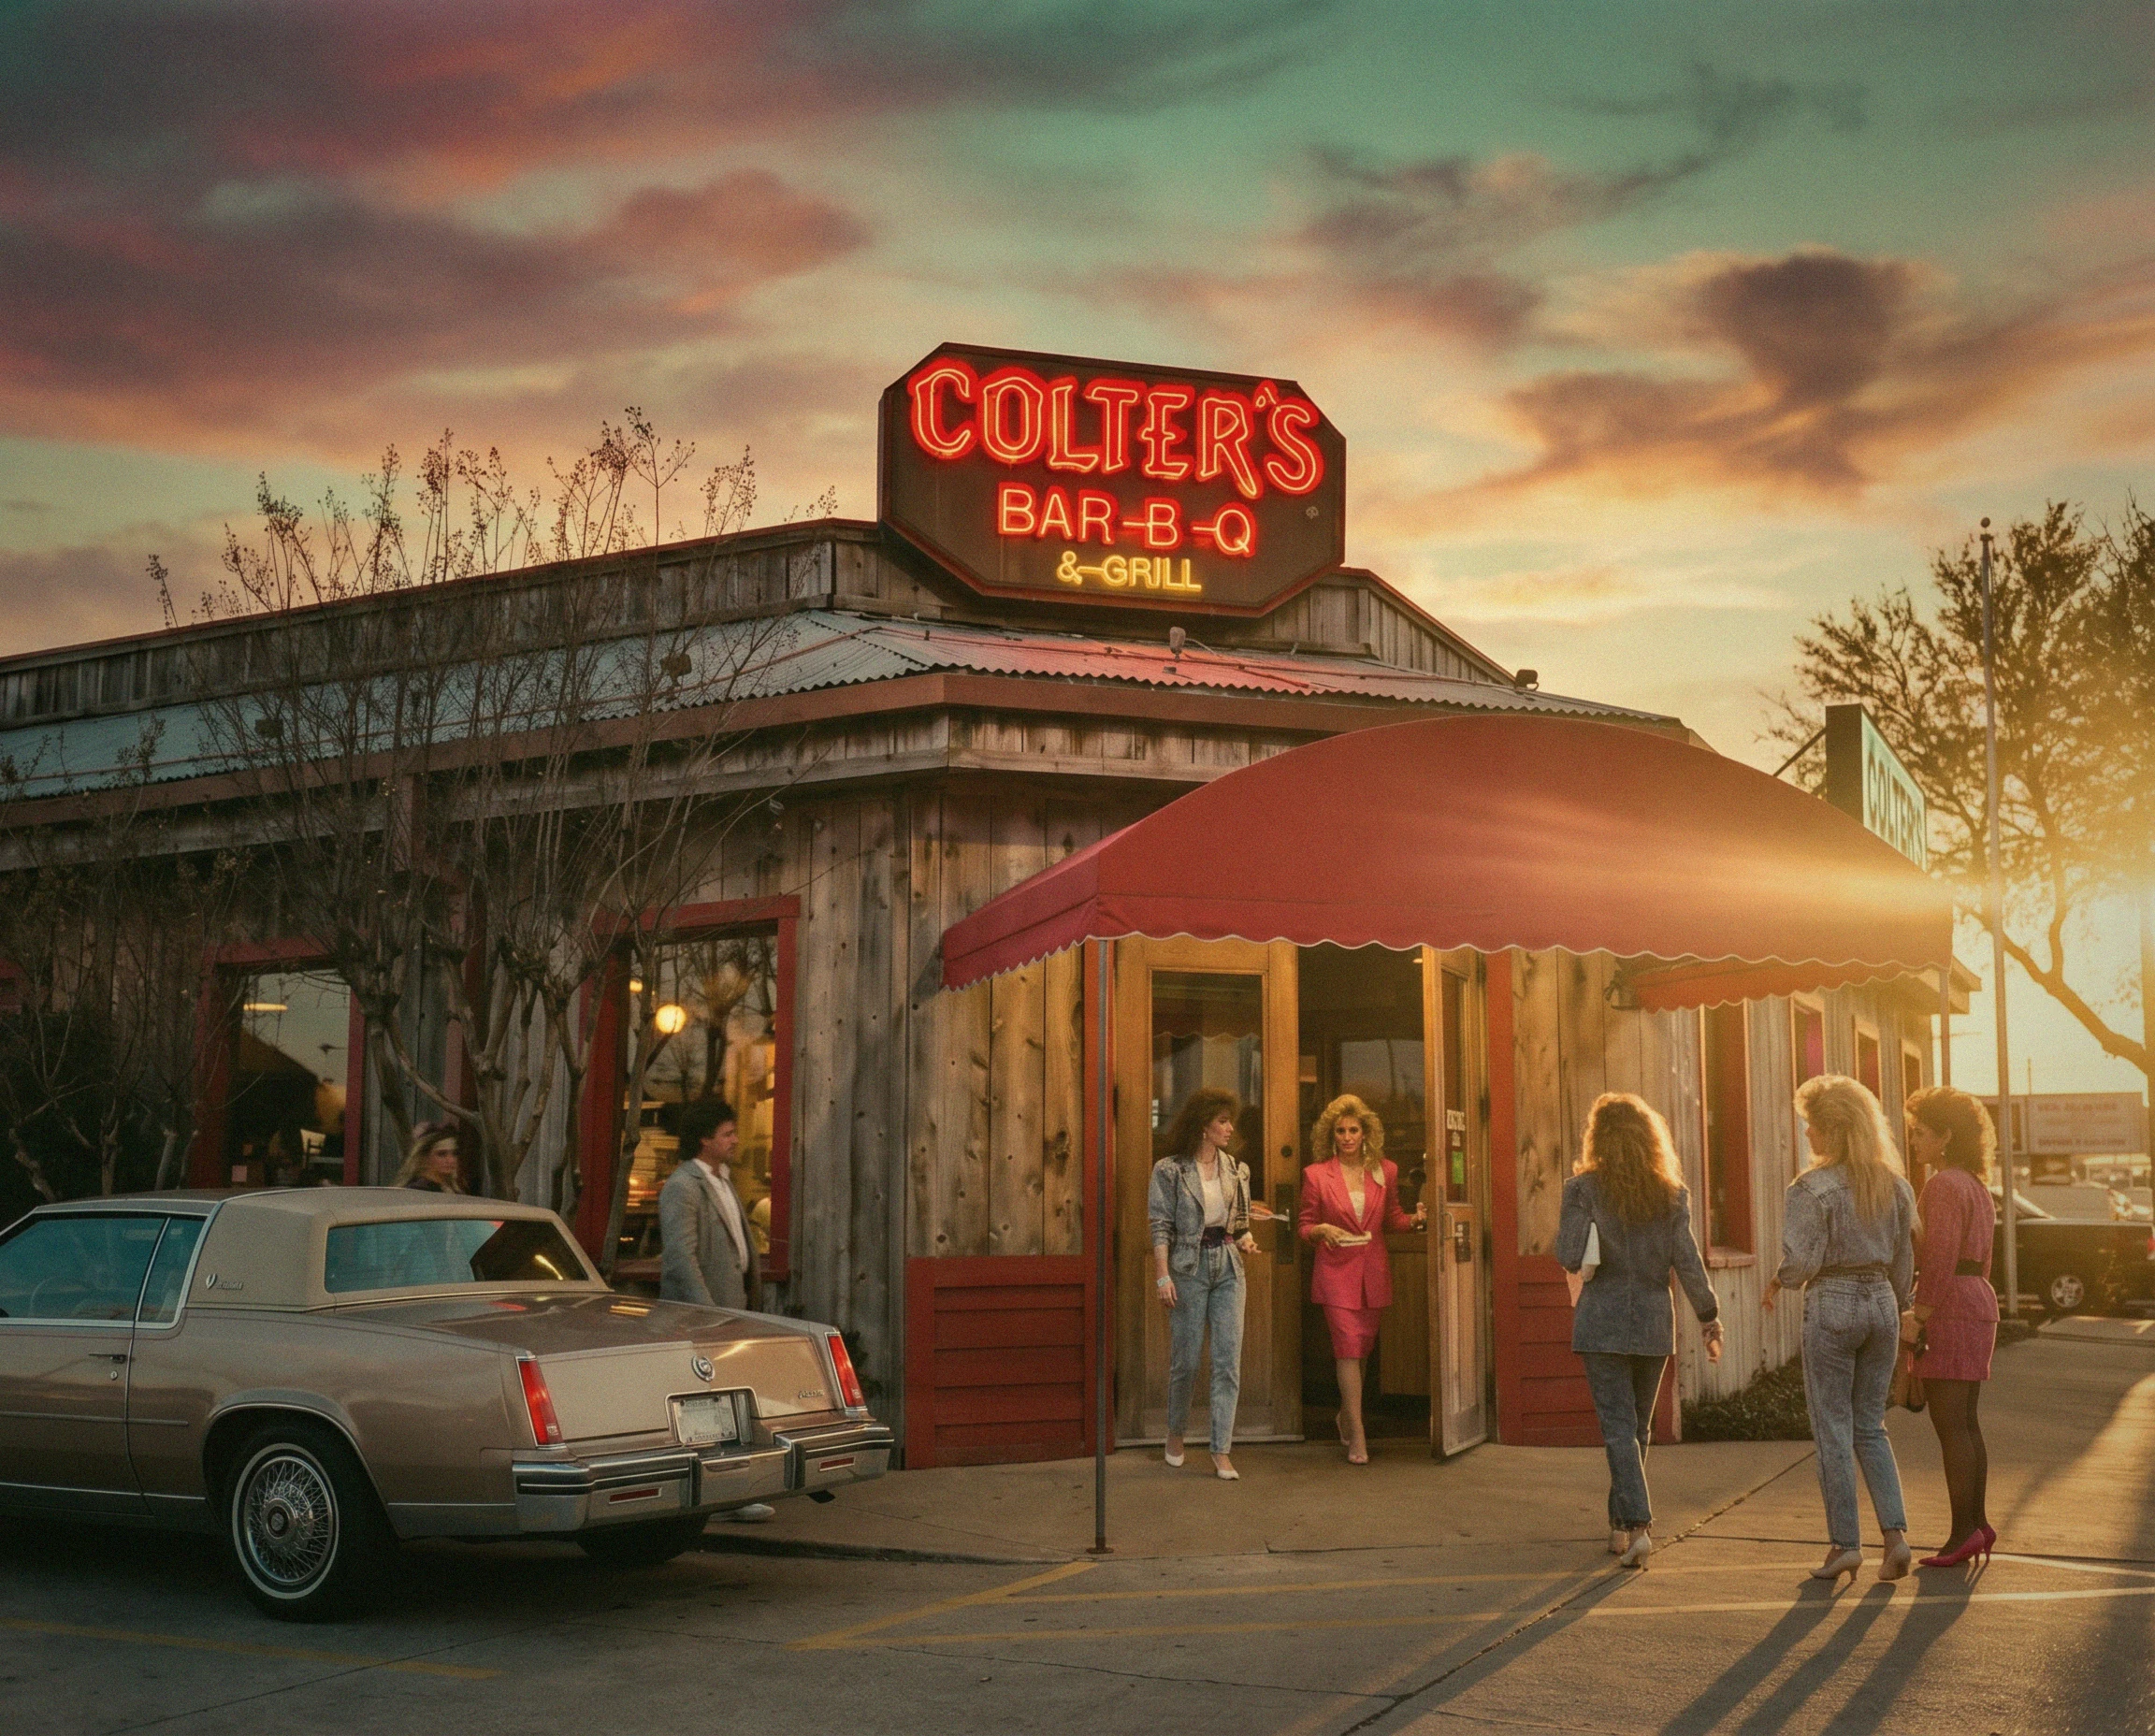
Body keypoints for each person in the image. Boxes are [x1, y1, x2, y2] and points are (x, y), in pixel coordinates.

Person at [1556, 1092, 1722, 1569]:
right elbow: (1688, 1263)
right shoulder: (1672, 1195)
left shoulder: (1582, 1189)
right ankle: (1619, 1526)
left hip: (1601, 1320)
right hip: (1653, 1321)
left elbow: (1568, 1254)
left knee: (1617, 1429)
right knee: (1638, 1428)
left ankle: (1639, 1524)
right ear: (1651, 1139)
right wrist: (1710, 1319)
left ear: (1597, 1138)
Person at [1765, 1074, 1917, 1584]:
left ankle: (1844, 1544)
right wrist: (1897, 1309)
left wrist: (1779, 1280)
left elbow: (1801, 1262)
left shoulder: (1812, 1187)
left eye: (1811, 1126)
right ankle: (1895, 1538)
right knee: (1870, 1425)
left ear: (1832, 1129)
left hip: (1832, 1302)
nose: (1806, 1135)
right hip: (1882, 1303)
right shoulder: (1894, 1184)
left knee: (1832, 1427)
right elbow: (1903, 1263)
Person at [658, 1097, 773, 1522]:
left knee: (735, 1405)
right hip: (705, 1319)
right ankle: (722, 1496)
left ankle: (734, 1493)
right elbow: (681, 1257)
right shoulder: (683, 1186)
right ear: (704, 1139)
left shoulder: (724, 1181)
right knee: (711, 1412)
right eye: (727, 1133)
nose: (735, 1140)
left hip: (733, 1310)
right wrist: (706, 1314)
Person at [1298, 1093, 1425, 1465]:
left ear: (1366, 1132)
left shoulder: (1385, 1170)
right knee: (1348, 1348)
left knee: (1363, 1349)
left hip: (1373, 1272)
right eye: (1341, 1131)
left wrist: (1417, 1219)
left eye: (1354, 1129)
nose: (1348, 1136)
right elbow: (1304, 1226)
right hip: (1336, 1271)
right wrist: (1321, 1228)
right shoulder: (1316, 1174)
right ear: (1331, 1135)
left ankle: (1345, 1414)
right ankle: (1357, 1433)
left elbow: (1392, 1220)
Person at [1905, 1086, 2002, 1568]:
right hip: (1978, 1302)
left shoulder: (1942, 1185)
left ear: (1944, 1137)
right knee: (1967, 1424)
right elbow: (1978, 1259)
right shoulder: (1977, 1186)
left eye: (1920, 1132)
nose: (1913, 1141)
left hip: (1951, 1307)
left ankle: (1962, 1533)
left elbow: (1939, 1259)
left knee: (1950, 1427)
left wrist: (1919, 1315)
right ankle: (1977, 1524)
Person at [1149, 1087, 1259, 1481]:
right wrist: (1163, 1275)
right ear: (1203, 1126)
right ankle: (1176, 1433)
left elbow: (1240, 1222)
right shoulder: (1170, 1170)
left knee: (1228, 1360)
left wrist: (1244, 1238)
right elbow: (1160, 1225)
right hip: (1188, 1268)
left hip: (1228, 1267)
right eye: (1223, 1121)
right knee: (1187, 1360)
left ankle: (1221, 1450)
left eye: (1230, 1121)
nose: (1230, 1128)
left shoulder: (1236, 1169)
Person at [396, 1123, 465, 1193]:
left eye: (455, 1154)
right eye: (441, 1154)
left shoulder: (453, 1189)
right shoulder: (416, 1191)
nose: (450, 1160)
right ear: (424, 1157)